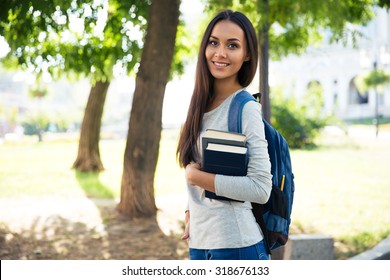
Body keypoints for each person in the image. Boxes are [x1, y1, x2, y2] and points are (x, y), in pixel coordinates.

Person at [176, 9, 272, 260]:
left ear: (247, 54)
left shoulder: (245, 108)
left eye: (232, 45)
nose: (220, 53)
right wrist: (190, 212)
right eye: (213, 42)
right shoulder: (199, 104)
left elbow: (261, 188)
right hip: (199, 244)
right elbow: (201, 168)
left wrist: (195, 177)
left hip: (236, 247)